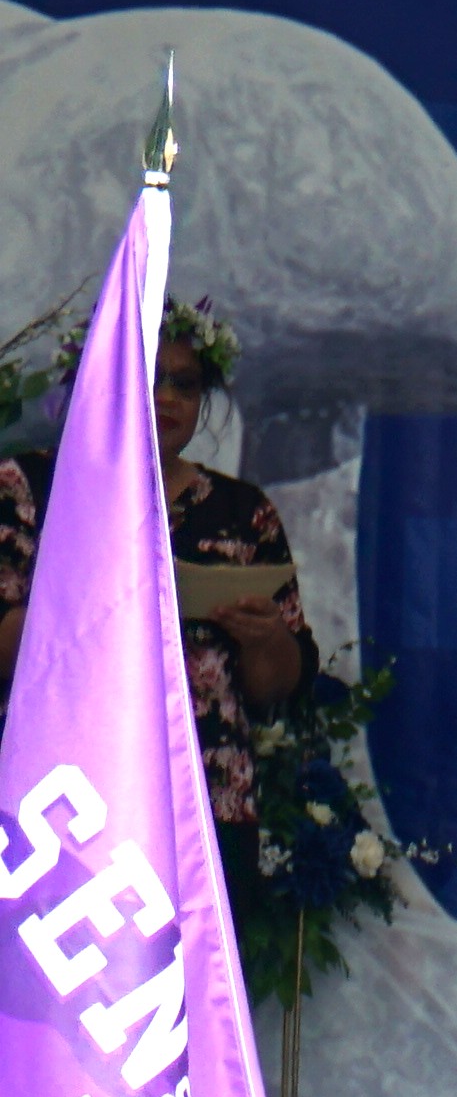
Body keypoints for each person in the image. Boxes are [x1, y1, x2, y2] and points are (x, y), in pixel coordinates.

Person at [0, 293, 313, 820]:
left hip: (205, 805)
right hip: (58, 800)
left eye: (185, 384)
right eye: (148, 376)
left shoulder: (243, 511)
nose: (165, 397)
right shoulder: (28, 487)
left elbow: (279, 684)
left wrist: (266, 639)